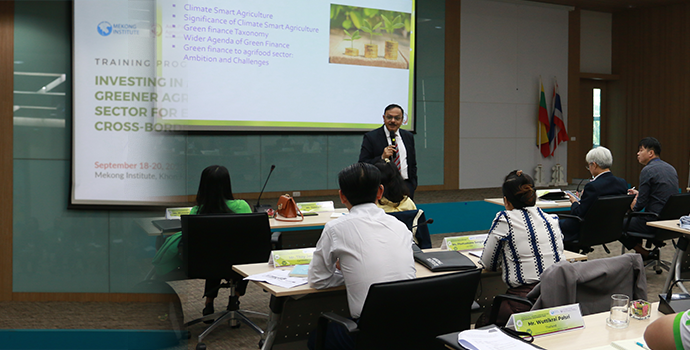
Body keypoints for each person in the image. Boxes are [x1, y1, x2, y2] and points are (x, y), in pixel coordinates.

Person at [307, 162, 416, 350]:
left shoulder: (335, 228)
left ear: (342, 196)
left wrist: (351, 275)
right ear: (380, 192)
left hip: (370, 333)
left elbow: (317, 280)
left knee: (315, 338)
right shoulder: (400, 226)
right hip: (413, 327)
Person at [151, 165, 252, 320]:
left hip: (206, 264)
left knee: (214, 254)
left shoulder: (196, 212)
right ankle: (235, 297)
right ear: (227, 184)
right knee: (240, 254)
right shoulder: (242, 206)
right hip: (238, 263)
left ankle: (209, 302)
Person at [476, 170, 565, 327]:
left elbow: (489, 263)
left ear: (506, 201)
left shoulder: (505, 219)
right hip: (558, 301)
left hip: (523, 304)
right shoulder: (552, 220)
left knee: (481, 324)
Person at [620, 137, 679, 259]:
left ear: (650, 153)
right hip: (670, 223)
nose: (638, 153)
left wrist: (632, 202)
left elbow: (638, 207)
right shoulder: (670, 168)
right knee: (633, 220)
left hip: (653, 222)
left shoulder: (648, 170)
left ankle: (645, 254)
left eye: (641, 150)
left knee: (616, 225)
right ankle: (642, 256)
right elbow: (660, 194)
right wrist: (639, 193)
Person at [559, 146, 628, 245]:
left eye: (589, 166)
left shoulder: (592, 187)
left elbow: (578, 213)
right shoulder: (622, 183)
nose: (589, 169)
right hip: (609, 228)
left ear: (594, 165)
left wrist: (574, 202)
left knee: (552, 224)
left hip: (586, 230)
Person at [359, 104, 418, 199]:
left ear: (402, 120)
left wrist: (413, 184)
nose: (393, 121)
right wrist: (382, 157)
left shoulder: (408, 136)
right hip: (382, 187)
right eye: (389, 117)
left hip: (406, 185)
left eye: (397, 118)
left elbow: (412, 162)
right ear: (384, 118)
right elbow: (363, 163)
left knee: (407, 212)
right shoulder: (371, 137)